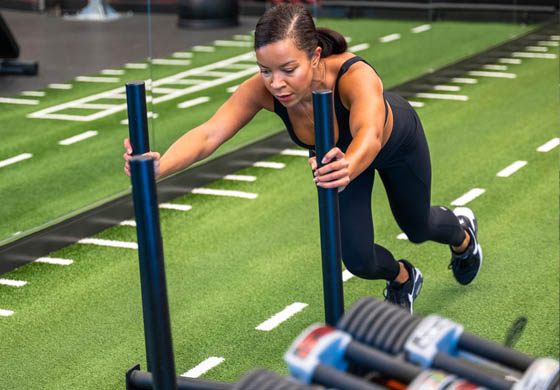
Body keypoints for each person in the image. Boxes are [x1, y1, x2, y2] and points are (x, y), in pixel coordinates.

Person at [123, 4, 482, 313]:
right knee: (358, 260)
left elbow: (369, 137)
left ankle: (462, 236)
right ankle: (403, 277)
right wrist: (159, 166)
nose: (275, 83)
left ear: (314, 57)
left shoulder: (354, 75)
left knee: (417, 227)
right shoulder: (262, 90)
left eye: (287, 69)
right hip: (338, 165)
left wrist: (345, 168)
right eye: (266, 70)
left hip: (392, 145)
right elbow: (209, 134)